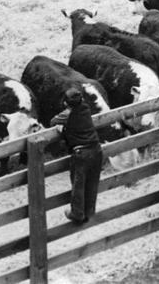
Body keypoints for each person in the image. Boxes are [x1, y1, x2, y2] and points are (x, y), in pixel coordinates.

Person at [51, 87, 102, 225]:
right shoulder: (86, 108)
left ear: (65, 103)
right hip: (96, 149)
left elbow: (53, 121)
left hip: (81, 153)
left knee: (78, 184)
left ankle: (77, 213)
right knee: (92, 183)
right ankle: (89, 212)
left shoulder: (67, 113)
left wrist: (63, 129)